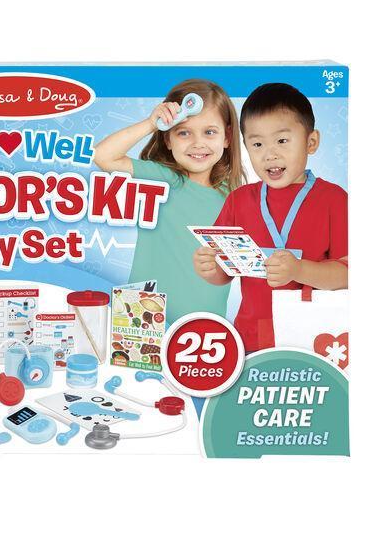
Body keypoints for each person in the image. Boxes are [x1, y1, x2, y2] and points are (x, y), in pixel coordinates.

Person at [194, 83, 348, 352]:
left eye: (282, 141)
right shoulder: (239, 200)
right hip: (250, 338)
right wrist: (211, 268)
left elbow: (348, 274)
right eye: (257, 144)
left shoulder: (334, 199)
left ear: (311, 142)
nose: (270, 154)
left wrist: (299, 270)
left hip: (314, 339)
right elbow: (225, 271)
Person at [94, 79, 245, 323]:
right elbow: (103, 156)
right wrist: (151, 123)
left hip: (204, 323)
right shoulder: (161, 179)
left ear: (227, 137)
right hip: (141, 319)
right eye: (184, 132)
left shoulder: (235, 196)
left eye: (209, 132)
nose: (198, 143)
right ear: (167, 139)